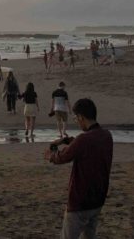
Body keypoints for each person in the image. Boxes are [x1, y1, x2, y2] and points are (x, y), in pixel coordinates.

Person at [46, 98, 113, 239]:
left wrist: (51, 155)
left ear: (81, 117)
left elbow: (62, 157)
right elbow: (87, 144)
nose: (76, 122)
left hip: (80, 201)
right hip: (98, 199)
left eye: (76, 118)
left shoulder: (83, 140)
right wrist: (67, 140)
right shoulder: (106, 136)